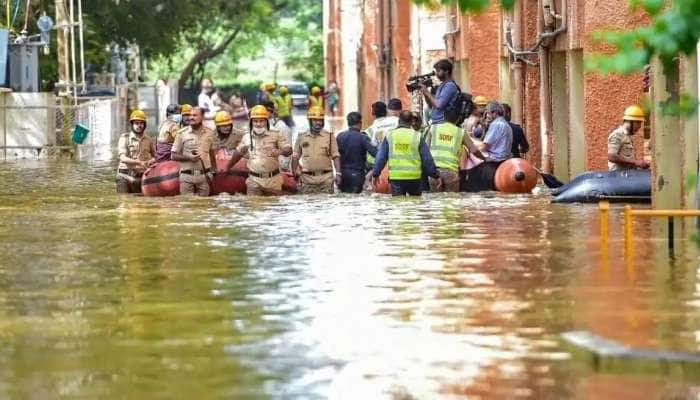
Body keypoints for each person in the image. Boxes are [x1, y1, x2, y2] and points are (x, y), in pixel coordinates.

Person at [224, 105, 293, 196]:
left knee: (273, 207)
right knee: (253, 207)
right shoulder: (246, 137)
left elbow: (288, 150)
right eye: (255, 121)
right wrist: (227, 167)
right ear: (251, 122)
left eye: (261, 121)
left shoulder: (276, 134)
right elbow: (238, 153)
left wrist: (282, 151)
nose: (258, 124)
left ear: (266, 121)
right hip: (254, 180)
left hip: (273, 180)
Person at [372, 111, 440, 196]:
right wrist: (435, 175)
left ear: (399, 120)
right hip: (414, 177)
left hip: (396, 178)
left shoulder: (390, 135)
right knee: (415, 205)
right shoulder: (417, 136)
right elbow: (427, 159)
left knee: (398, 206)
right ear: (411, 121)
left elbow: (381, 157)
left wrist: (375, 174)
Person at [426, 109, 482, 192]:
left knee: (435, 201)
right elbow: (474, 150)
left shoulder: (433, 128)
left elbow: (426, 151)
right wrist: (484, 158)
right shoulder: (460, 132)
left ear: (443, 117)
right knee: (451, 201)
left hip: (434, 172)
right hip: (451, 172)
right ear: (458, 119)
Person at [464, 101, 513, 192]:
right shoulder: (506, 124)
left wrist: (469, 141)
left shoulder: (496, 124)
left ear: (495, 113)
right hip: (504, 161)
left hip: (494, 161)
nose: (486, 116)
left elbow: (484, 146)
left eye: (488, 113)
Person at [292, 106, 341, 194]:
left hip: (326, 179)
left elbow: (336, 156)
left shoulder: (329, 136)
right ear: (310, 121)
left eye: (320, 120)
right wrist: (294, 171)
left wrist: (338, 174)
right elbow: (295, 156)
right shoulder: (301, 137)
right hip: (307, 180)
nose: (318, 123)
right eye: (315, 120)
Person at [171, 106, 217, 196]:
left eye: (195, 115)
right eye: (190, 115)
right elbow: (173, 155)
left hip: (204, 177)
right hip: (186, 177)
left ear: (202, 117)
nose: (191, 117)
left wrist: (213, 172)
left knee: (204, 207)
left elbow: (212, 154)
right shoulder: (181, 134)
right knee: (188, 207)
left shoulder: (210, 133)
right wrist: (189, 158)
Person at [116, 110, 156, 194]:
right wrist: (138, 162)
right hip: (124, 176)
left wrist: (151, 161)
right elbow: (122, 158)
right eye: (136, 123)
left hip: (141, 177)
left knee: (139, 203)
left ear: (144, 125)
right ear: (132, 125)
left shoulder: (149, 140)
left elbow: (156, 157)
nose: (139, 125)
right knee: (124, 202)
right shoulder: (124, 138)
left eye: (141, 123)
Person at [336, 112, 377, 193]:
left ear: (348, 123)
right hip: (357, 175)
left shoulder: (340, 136)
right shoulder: (363, 138)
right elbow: (375, 153)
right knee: (356, 200)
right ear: (360, 123)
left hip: (342, 174)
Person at [608, 105, 649, 171]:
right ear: (629, 121)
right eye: (638, 123)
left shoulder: (627, 136)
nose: (639, 126)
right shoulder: (617, 135)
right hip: (618, 178)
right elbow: (611, 156)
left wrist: (639, 164)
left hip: (628, 177)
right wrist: (635, 162)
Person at [421, 59, 460, 125]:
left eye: (438, 71)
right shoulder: (442, 85)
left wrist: (427, 92)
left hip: (443, 123)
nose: (436, 74)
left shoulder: (449, 86)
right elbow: (431, 106)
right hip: (437, 122)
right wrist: (425, 93)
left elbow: (439, 105)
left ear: (447, 71)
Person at [365, 101, 399, 169]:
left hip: (381, 164)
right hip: (399, 160)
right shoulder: (397, 121)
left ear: (372, 114)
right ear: (386, 111)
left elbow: (373, 146)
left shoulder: (370, 130)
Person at [263, 101, 293, 171]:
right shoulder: (261, 125)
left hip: (279, 167)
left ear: (272, 112)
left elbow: (285, 158)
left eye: (267, 111)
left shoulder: (282, 127)